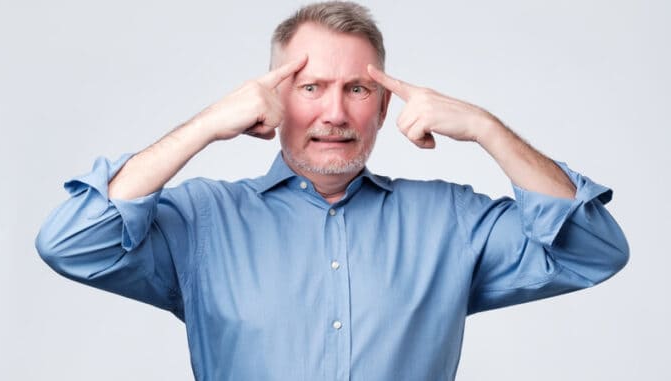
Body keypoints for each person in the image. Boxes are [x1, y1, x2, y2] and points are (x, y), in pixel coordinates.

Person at [36, 1, 629, 380]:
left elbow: (591, 250)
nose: (335, 113)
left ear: (384, 106)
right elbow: (71, 242)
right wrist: (206, 125)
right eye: (311, 86)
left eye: (358, 90)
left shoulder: (450, 221)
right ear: (270, 100)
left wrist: (485, 128)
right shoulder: (200, 221)